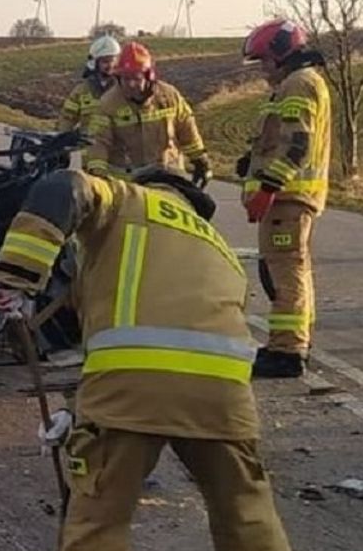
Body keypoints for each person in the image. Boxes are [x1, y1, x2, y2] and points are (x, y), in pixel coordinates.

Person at [0, 166, 310, 551]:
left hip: (131, 388)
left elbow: (62, 188)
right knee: (245, 513)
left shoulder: (123, 201)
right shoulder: (219, 247)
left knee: (98, 521)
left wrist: (17, 276)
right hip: (223, 394)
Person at [238, 20, 332, 380]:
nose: (263, 69)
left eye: (264, 60)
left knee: (284, 272)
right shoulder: (302, 82)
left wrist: (268, 186)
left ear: (280, 54)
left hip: (288, 198)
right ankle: (294, 342)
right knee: (291, 269)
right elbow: (281, 138)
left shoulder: (298, 84)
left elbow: (298, 144)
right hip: (291, 197)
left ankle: (287, 351)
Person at [82, 41, 211, 186]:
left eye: (136, 78)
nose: (130, 84)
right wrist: (98, 176)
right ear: (118, 77)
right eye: (125, 78)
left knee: (202, 206)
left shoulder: (169, 96)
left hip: (168, 177)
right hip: (129, 187)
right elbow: (98, 142)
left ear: (149, 76)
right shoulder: (108, 103)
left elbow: (187, 128)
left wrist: (200, 160)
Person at [59, 35, 121, 132]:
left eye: (113, 60)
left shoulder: (123, 89)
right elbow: (67, 118)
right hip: (89, 144)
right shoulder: (81, 91)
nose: (110, 65)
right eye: (105, 61)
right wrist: (61, 139)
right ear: (95, 63)